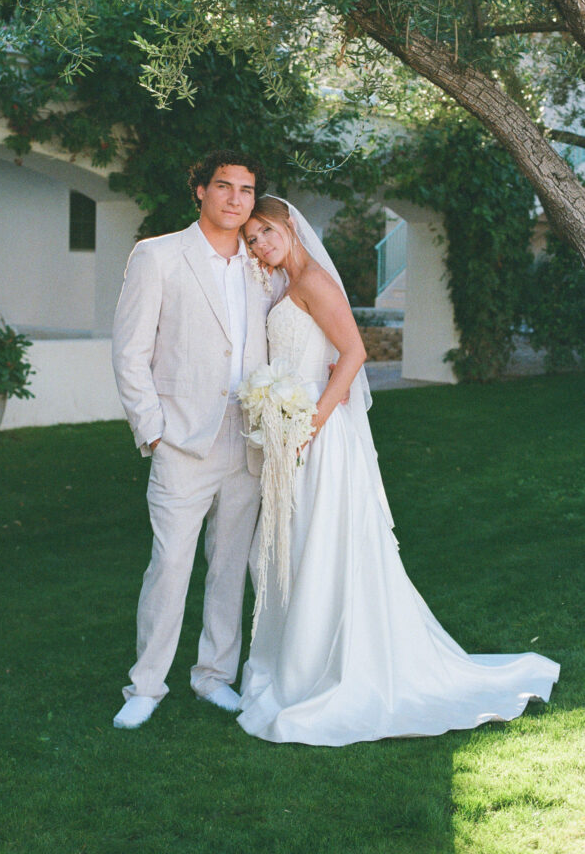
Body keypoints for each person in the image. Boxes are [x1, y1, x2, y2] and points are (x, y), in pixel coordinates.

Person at [236, 196, 560, 745]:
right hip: (295, 423)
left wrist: (309, 425)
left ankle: (329, 667)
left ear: (289, 225)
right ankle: (298, 661)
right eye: (252, 240)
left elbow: (355, 353)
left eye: (266, 231)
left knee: (323, 541)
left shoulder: (313, 280)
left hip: (317, 431)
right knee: (295, 539)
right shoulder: (283, 285)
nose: (261, 245)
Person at [111, 151, 280, 729]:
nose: (237, 199)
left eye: (247, 190)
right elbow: (130, 351)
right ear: (200, 192)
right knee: (171, 564)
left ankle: (214, 677)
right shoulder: (158, 256)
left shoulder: (263, 263)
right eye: (225, 187)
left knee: (230, 564)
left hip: (249, 437)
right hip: (181, 440)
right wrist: (152, 431)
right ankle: (146, 686)